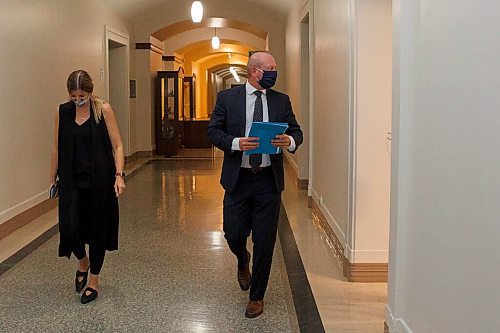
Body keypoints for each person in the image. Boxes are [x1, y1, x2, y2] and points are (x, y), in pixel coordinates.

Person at [207, 51, 303, 318]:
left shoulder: (281, 100)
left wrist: (290, 142)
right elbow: (213, 131)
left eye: (275, 68)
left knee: (265, 242)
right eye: (270, 68)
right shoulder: (228, 98)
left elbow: (296, 132)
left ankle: (257, 296)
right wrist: (236, 143)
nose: (274, 72)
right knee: (233, 234)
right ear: (254, 71)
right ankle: (242, 259)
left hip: (268, 182)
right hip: (238, 180)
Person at [49, 70, 126, 304]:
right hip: (71, 181)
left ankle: (94, 279)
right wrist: (52, 179)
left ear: (90, 92)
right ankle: (82, 261)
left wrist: (119, 175)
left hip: (99, 182)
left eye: (81, 95)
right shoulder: (62, 112)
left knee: (97, 231)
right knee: (70, 229)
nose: (78, 100)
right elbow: (56, 148)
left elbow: (118, 145)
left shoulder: (103, 110)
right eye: (74, 96)